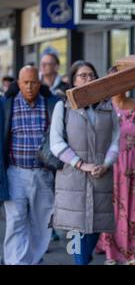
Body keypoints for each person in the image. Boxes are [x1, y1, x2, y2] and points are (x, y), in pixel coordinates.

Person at [49, 60, 119, 265]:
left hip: (101, 177)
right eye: (83, 75)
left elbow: (117, 138)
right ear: (73, 80)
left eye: (91, 75)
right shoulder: (63, 107)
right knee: (77, 235)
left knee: (95, 229)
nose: (88, 79)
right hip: (73, 180)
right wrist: (81, 164)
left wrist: (106, 163)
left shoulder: (107, 107)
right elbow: (55, 142)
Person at [95, 67, 135, 265]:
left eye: (122, 81)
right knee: (112, 211)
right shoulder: (102, 110)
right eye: (114, 81)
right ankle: (112, 253)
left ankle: (133, 254)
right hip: (111, 168)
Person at [2, 66, 59, 265]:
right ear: (18, 83)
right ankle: (16, 262)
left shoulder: (51, 104)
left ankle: (33, 260)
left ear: (39, 82)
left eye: (33, 82)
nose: (29, 86)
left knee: (41, 222)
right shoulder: (6, 105)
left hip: (43, 174)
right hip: (15, 172)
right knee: (16, 220)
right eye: (25, 82)